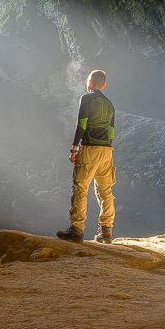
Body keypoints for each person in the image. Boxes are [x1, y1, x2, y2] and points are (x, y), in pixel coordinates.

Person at [59, 69, 116, 244]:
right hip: (107, 151)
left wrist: (74, 148)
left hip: (90, 148)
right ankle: (106, 231)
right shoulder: (110, 104)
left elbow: (81, 124)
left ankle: (76, 229)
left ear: (89, 83)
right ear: (104, 85)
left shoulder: (86, 99)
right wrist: (105, 148)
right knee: (105, 190)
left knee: (80, 187)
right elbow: (112, 133)